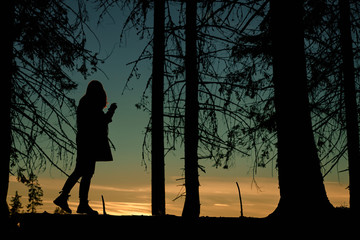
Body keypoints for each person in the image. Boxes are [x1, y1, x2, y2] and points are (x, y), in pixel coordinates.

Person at [54, 80, 117, 215]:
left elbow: (100, 121)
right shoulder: (90, 104)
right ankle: (75, 201)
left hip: (86, 141)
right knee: (84, 172)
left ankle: (71, 199)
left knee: (84, 172)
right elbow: (101, 121)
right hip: (89, 142)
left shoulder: (86, 103)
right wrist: (111, 111)